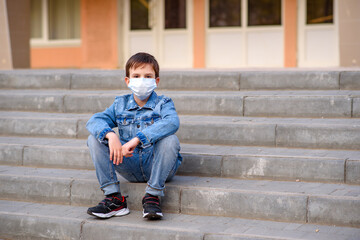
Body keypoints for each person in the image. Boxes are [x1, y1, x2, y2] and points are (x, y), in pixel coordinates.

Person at [86, 52, 182, 220]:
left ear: (156, 81)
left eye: (148, 76)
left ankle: (152, 196)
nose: (142, 80)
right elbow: (95, 120)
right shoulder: (120, 104)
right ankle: (114, 199)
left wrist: (138, 139)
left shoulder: (164, 103)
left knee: (170, 140)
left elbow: (172, 122)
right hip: (128, 164)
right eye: (136, 76)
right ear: (128, 81)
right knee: (94, 138)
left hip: (156, 165)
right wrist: (111, 135)